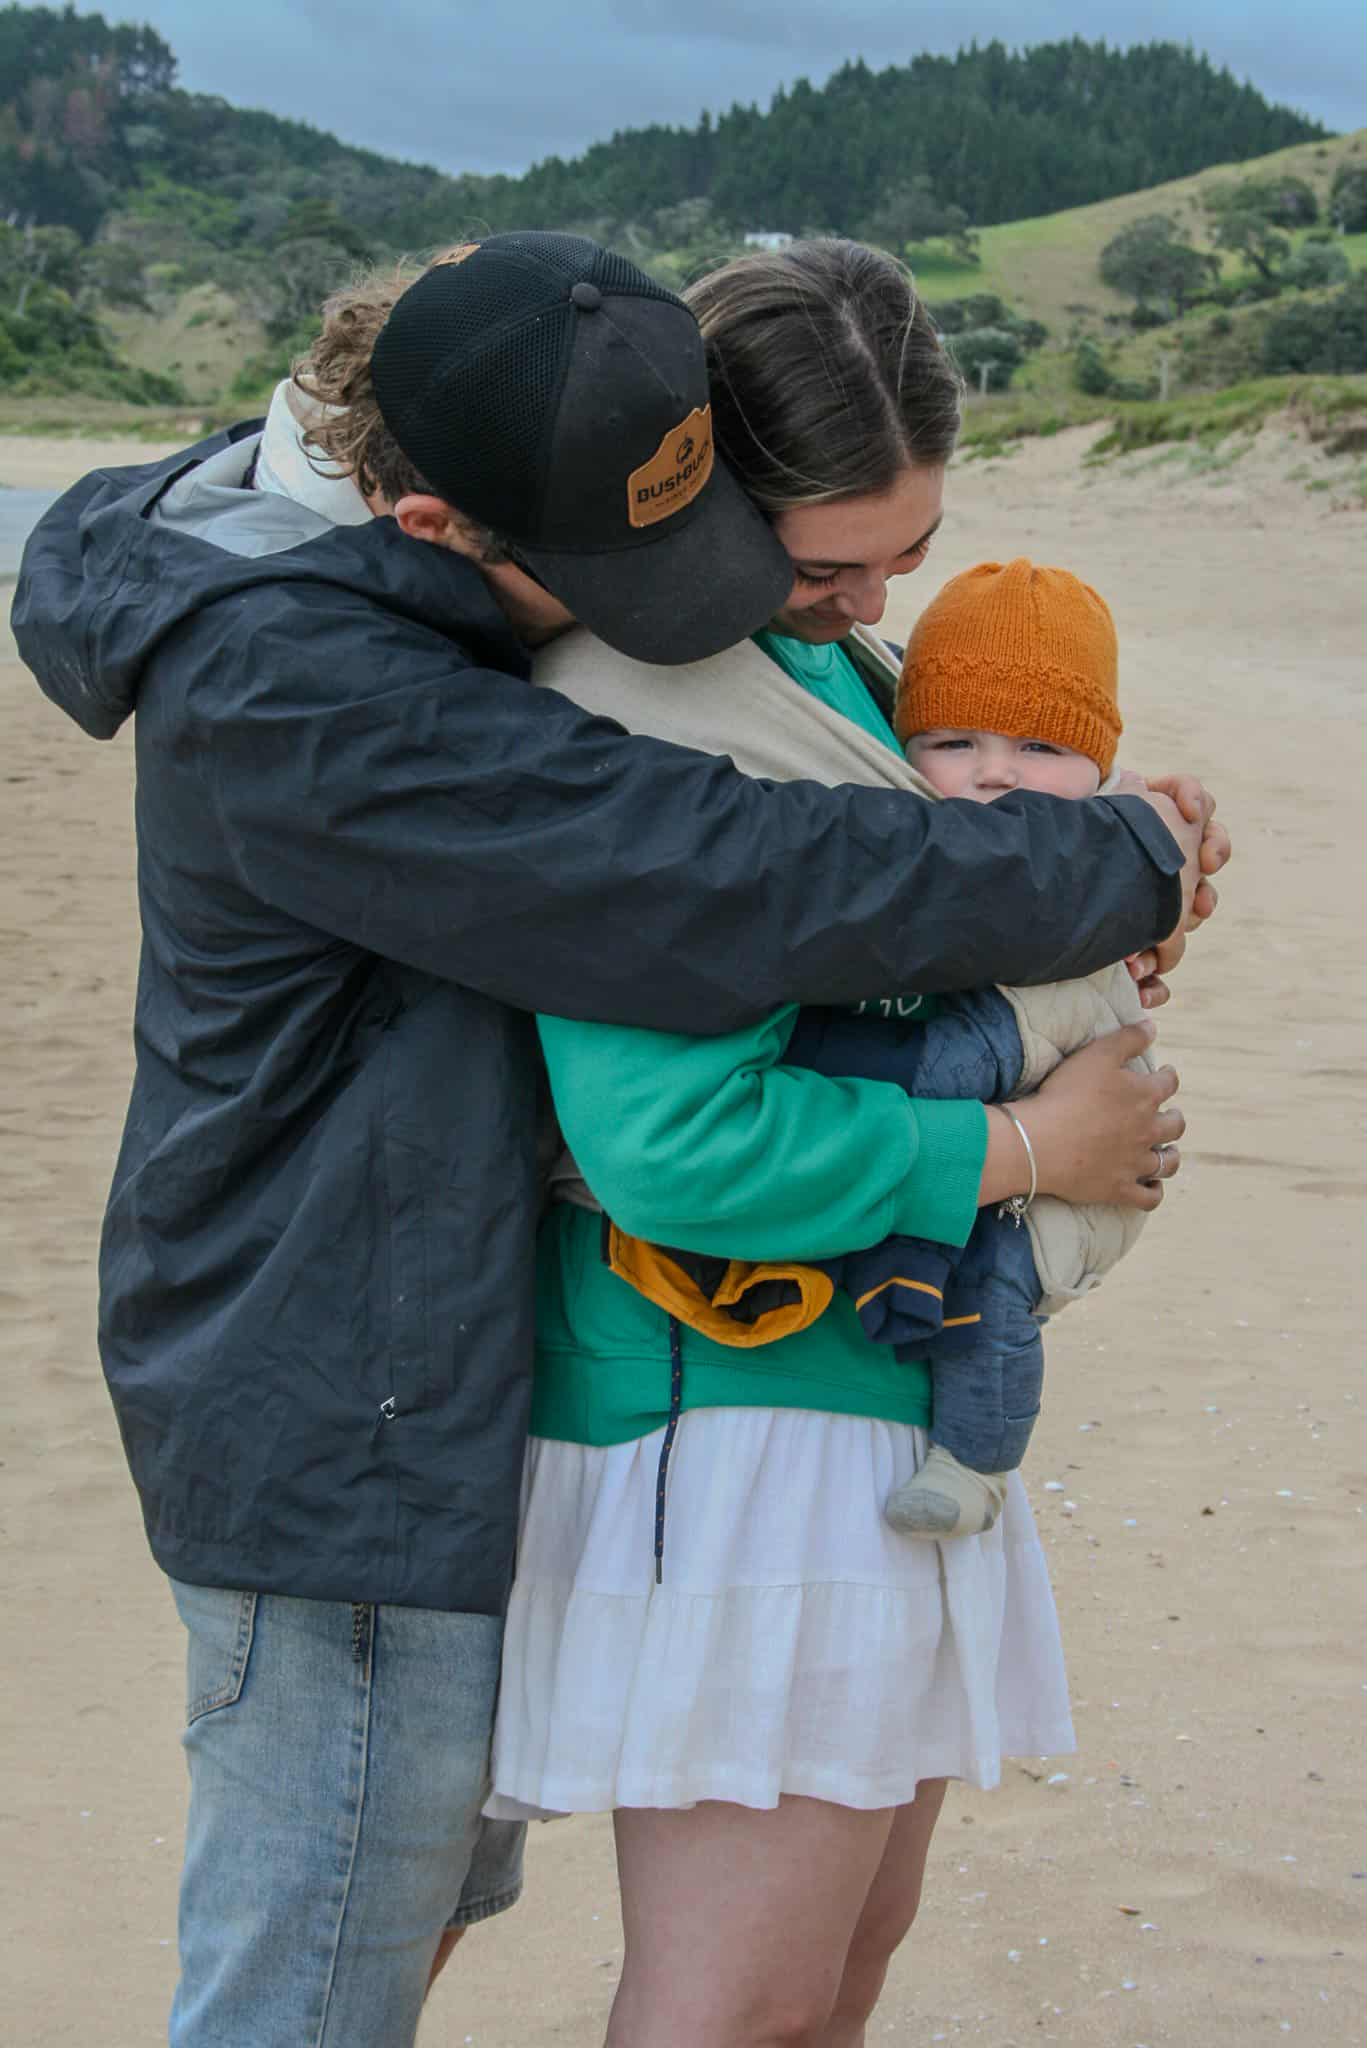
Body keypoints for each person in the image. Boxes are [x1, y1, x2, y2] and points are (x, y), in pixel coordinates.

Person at [13, 231, 1220, 2048]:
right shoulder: (306, 683)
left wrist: (1084, 849)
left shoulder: (451, 567)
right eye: (646, 574)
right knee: (315, 1973)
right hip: (338, 1397)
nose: (694, 616)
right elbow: (716, 873)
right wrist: (1099, 880)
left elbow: (784, 842)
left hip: (442, 1383)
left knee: (397, 1917)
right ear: (440, 528)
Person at [486, 240, 1222, 2048]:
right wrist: (1026, 1151)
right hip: (723, 1423)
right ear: (707, 500)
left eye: (904, 551)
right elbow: (666, 1143)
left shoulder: (837, 682)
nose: (874, 599)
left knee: (830, 1984)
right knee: (736, 2003)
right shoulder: (669, 716)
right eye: (833, 560)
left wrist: (1125, 876)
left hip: (863, 1407)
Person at [600, 557, 1151, 1543]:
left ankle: (977, 1457)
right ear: (897, 748)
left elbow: (1019, 1037)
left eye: (1038, 746)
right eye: (952, 741)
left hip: (1064, 1178)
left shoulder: (1081, 876)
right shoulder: (909, 841)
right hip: (996, 1166)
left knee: (991, 1297)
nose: (994, 771)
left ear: (1099, 768)